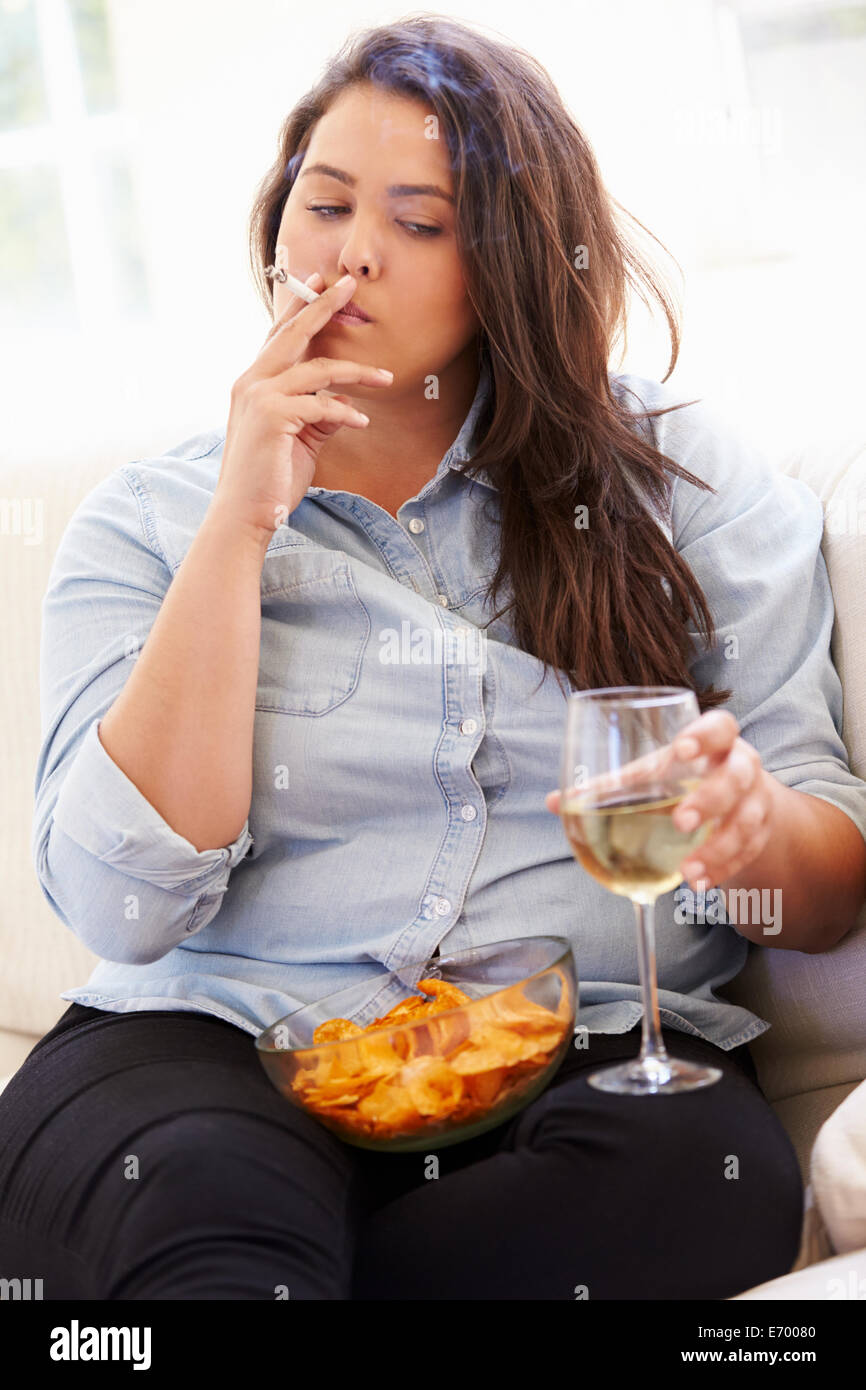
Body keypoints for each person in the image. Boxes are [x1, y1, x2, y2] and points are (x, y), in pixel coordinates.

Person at [2, 15, 863, 1301]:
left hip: (587, 1044)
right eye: (325, 204)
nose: (349, 257)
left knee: (683, 1180)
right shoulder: (150, 521)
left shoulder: (680, 487)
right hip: (216, 1041)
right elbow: (126, 911)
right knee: (197, 1204)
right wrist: (238, 529)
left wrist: (745, 835)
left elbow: (830, 893)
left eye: (418, 223)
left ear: (511, 264)